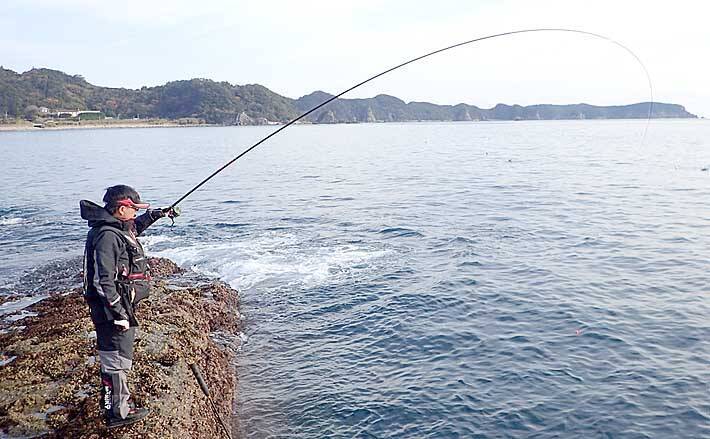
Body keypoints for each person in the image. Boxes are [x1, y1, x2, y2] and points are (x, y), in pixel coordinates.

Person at [80, 185, 179, 428]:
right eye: (133, 209)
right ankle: (118, 413)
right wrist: (119, 314)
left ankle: (113, 408)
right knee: (116, 360)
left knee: (112, 359)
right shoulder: (107, 236)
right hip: (112, 310)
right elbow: (102, 282)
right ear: (121, 208)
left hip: (117, 306)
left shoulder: (115, 228)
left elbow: (133, 230)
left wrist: (156, 215)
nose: (135, 214)